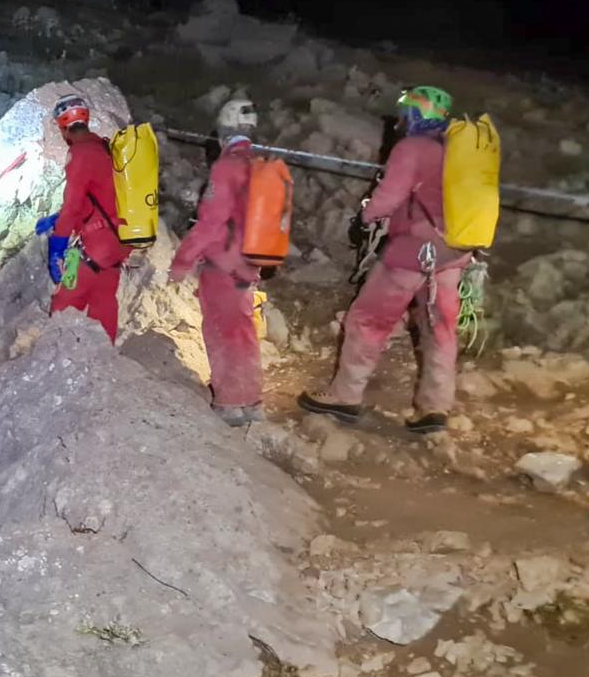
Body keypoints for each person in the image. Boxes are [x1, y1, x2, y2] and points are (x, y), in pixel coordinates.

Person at [299, 86, 470, 434]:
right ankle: (435, 409)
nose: (402, 120)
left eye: (407, 112)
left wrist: (366, 217)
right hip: (454, 253)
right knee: (440, 329)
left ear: (417, 115)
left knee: (367, 320)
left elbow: (388, 196)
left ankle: (344, 396)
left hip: (412, 252)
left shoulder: (412, 147)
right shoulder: (458, 148)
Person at [167, 99, 266, 426]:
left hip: (223, 264)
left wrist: (182, 262)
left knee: (221, 331)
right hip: (250, 263)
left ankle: (228, 402)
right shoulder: (260, 165)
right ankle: (251, 399)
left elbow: (209, 223)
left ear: (223, 132)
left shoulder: (226, 168)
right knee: (243, 330)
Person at [37, 94, 132, 344]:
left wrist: (57, 245)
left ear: (63, 128)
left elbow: (73, 206)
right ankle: (104, 364)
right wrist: (56, 218)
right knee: (103, 304)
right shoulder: (104, 147)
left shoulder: (80, 153)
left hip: (95, 246)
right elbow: (101, 196)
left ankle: (59, 365)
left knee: (64, 307)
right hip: (118, 243)